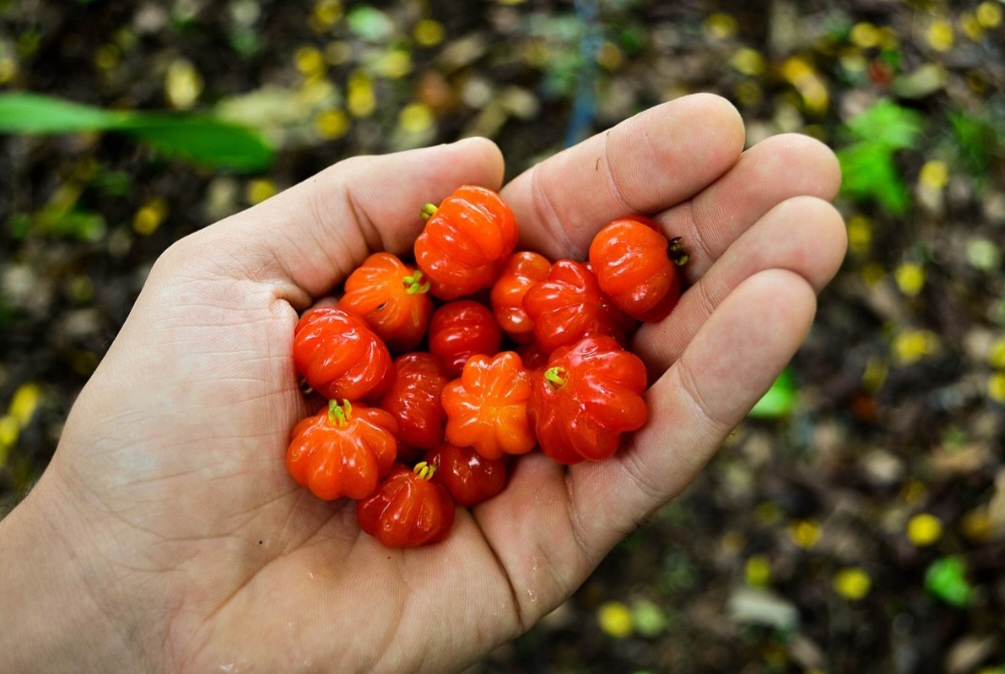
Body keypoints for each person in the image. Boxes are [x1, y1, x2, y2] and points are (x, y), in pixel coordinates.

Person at [0, 94, 846, 674]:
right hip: (452, 403)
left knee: (494, 397)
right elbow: (440, 384)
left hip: (504, 383)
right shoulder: (396, 368)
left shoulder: (521, 328)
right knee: (479, 401)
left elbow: (511, 370)